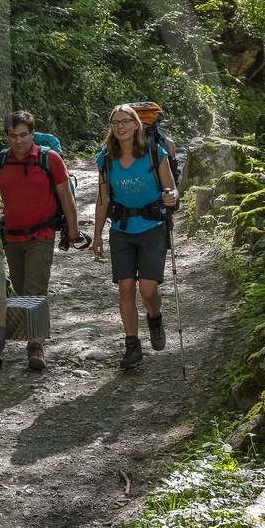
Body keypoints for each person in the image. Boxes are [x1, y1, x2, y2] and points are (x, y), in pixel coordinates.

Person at [0, 110, 80, 370]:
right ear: (7, 136)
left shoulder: (49, 159)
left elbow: (65, 198)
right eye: (13, 136)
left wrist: (73, 231)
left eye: (24, 135)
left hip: (42, 235)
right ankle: (30, 335)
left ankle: (35, 346)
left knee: (35, 290)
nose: (18, 141)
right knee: (20, 289)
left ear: (32, 134)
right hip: (11, 237)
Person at [91, 105, 179, 370]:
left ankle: (154, 316)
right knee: (126, 287)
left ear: (136, 125)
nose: (120, 127)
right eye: (115, 122)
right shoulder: (105, 158)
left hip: (152, 227)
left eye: (126, 121)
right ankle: (132, 345)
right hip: (122, 229)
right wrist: (97, 235)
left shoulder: (154, 153)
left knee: (148, 290)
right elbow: (103, 198)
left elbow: (172, 190)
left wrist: (170, 197)